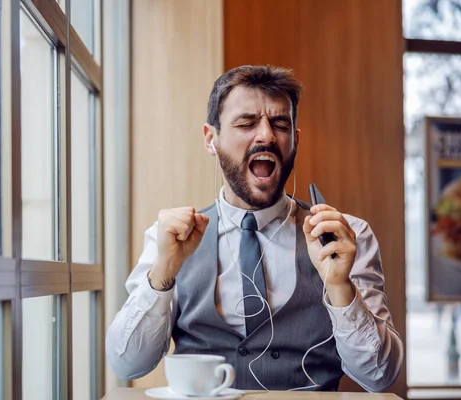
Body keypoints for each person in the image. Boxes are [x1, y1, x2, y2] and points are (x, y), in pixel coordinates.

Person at [106, 65, 403, 391]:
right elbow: (128, 363)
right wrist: (161, 275)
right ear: (211, 139)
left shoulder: (347, 236)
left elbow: (379, 377)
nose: (266, 135)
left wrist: (341, 286)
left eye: (280, 124)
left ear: (295, 140)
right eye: (246, 123)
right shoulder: (169, 240)